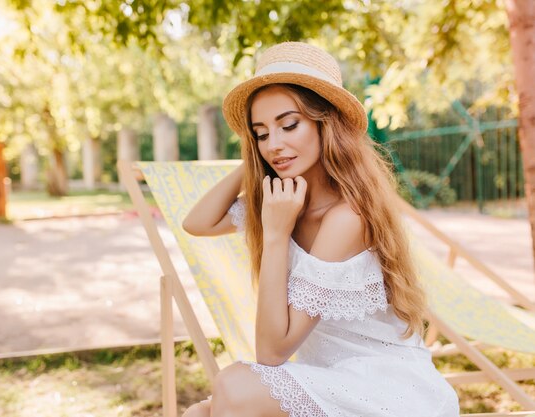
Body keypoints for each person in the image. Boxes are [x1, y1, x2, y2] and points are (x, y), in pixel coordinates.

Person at [181, 42, 459, 417]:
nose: (274, 145)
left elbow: (272, 352)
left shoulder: (348, 217)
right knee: (204, 411)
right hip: (328, 380)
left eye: (289, 124)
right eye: (261, 132)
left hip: (390, 390)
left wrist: (277, 234)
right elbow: (197, 223)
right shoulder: (285, 200)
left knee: (233, 386)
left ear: (324, 123)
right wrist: (255, 158)